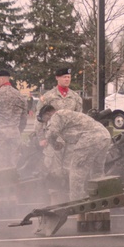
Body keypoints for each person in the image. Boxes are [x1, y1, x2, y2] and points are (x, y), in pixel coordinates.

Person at [37, 105, 112, 201]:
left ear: (48, 114)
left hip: (89, 139)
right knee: (97, 171)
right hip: (104, 136)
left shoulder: (57, 115)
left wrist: (54, 144)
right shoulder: (68, 115)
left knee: (76, 172)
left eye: (45, 120)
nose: (46, 123)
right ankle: (102, 199)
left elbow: (52, 134)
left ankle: (76, 203)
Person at [38, 66, 82, 202]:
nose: (67, 79)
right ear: (57, 78)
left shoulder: (75, 97)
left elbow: (79, 118)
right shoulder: (48, 97)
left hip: (70, 139)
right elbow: (39, 119)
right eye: (64, 77)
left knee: (69, 168)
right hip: (53, 138)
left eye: (69, 77)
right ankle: (55, 200)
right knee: (54, 169)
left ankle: (69, 199)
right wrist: (41, 137)